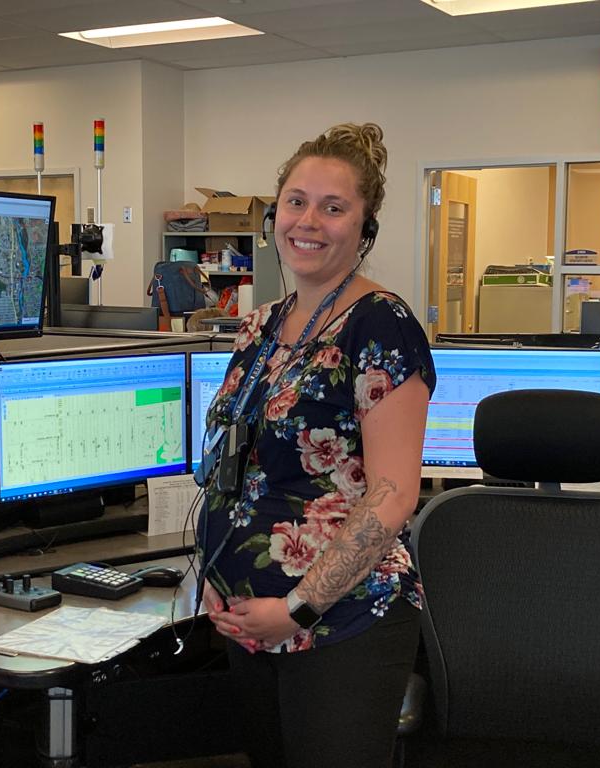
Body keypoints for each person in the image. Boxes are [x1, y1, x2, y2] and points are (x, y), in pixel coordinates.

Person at [195, 122, 435, 768]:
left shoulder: (382, 326)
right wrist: (213, 575)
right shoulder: (262, 326)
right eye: (297, 202)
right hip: (250, 622)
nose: (310, 221)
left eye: (335, 207)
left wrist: (296, 609)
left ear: (365, 228)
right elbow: (240, 467)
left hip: (341, 624)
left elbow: (392, 496)